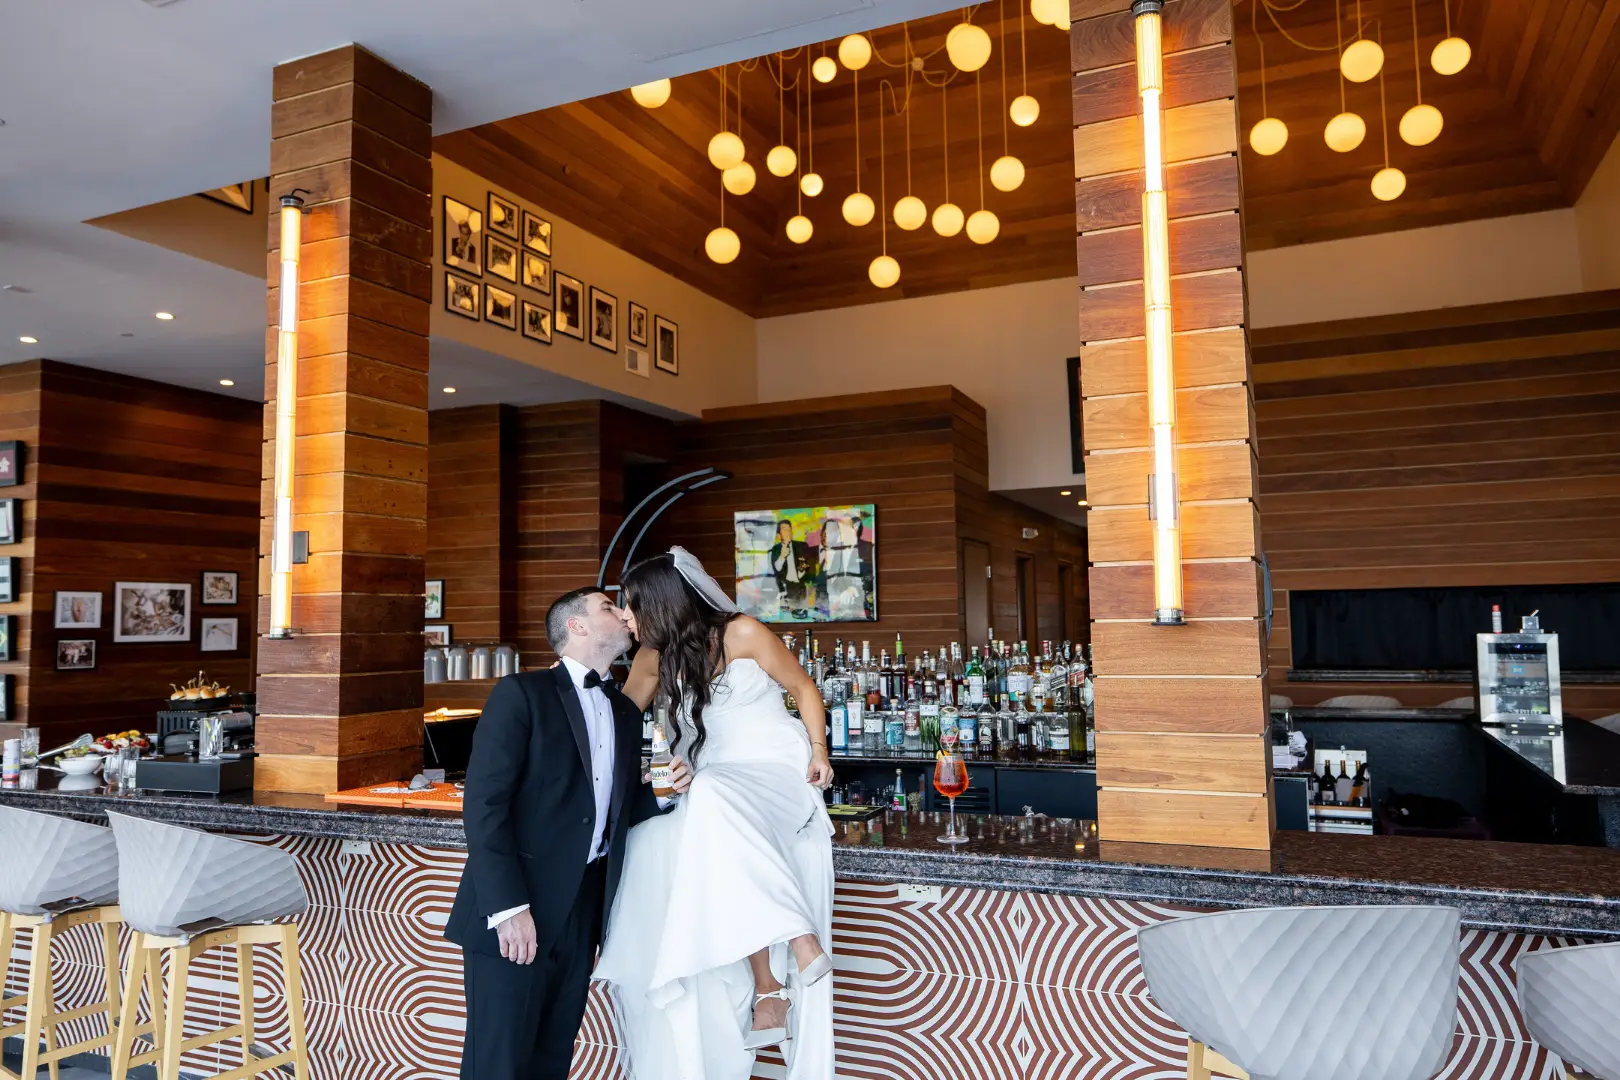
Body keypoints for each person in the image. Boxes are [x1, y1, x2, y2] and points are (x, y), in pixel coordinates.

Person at [594, 547, 837, 1079]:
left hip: (777, 767)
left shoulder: (743, 632)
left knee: (710, 798)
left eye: (631, 606)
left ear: (660, 602)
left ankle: (781, 970)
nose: (627, 618)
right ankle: (782, 970)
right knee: (709, 801)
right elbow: (614, 724)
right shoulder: (652, 658)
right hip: (715, 780)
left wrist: (819, 750)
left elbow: (802, 687)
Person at [445, 587, 692, 1080]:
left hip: (583, 909)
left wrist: (663, 793)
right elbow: (485, 806)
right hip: (517, 908)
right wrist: (508, 908)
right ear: (576, 627)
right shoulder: (521, 694)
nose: (625, 615)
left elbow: (611, 810)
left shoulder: (624, 710)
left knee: (553, 1058)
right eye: (609, 608)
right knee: (498, 1064)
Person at [769, 520, 813, 620]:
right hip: (785, 590)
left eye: (790, 530)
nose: (788, 532)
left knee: (805, 617)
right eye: (784, 530)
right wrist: (782, 556)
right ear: (779, 535)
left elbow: (809, 569)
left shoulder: (802, 546)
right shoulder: (775, 549)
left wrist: (803, 569)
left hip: (802, 588)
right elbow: (776, 569)